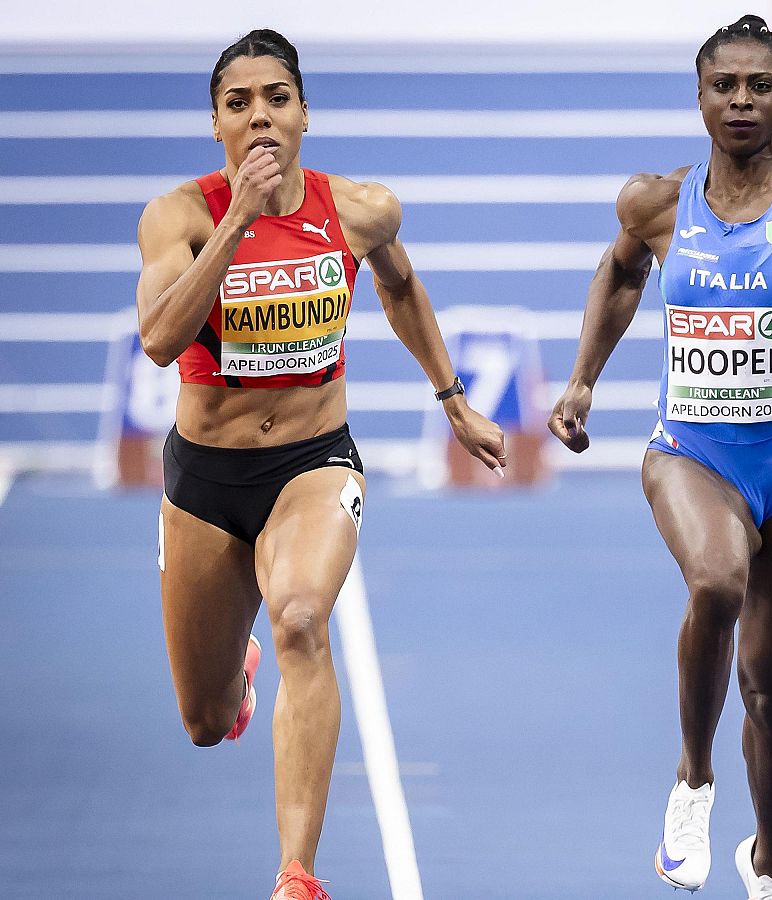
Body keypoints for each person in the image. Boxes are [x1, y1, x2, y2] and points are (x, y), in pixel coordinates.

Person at [134, 29, 504, 899]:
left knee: (300, 616)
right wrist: (237, 221)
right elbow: (158, 340)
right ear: (216, 124)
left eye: (276, 98)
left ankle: (296, 875)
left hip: (314, 458)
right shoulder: (179, 216)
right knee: (203, 718)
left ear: (305, 113)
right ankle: (238, 674)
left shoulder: (360, 209)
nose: (259, 115)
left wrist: (451, 398)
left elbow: (400, 286)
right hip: (207, 477)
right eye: (238, 103)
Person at [547, 15, 772, 899]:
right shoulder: (656, 203)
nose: (740, 101)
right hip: (688, 451)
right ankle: (692, 783)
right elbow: (620, 275)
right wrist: (583, 380)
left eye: (759, 86)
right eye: (723, 86)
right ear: (699, 96)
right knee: (717, 582)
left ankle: (769, 862)